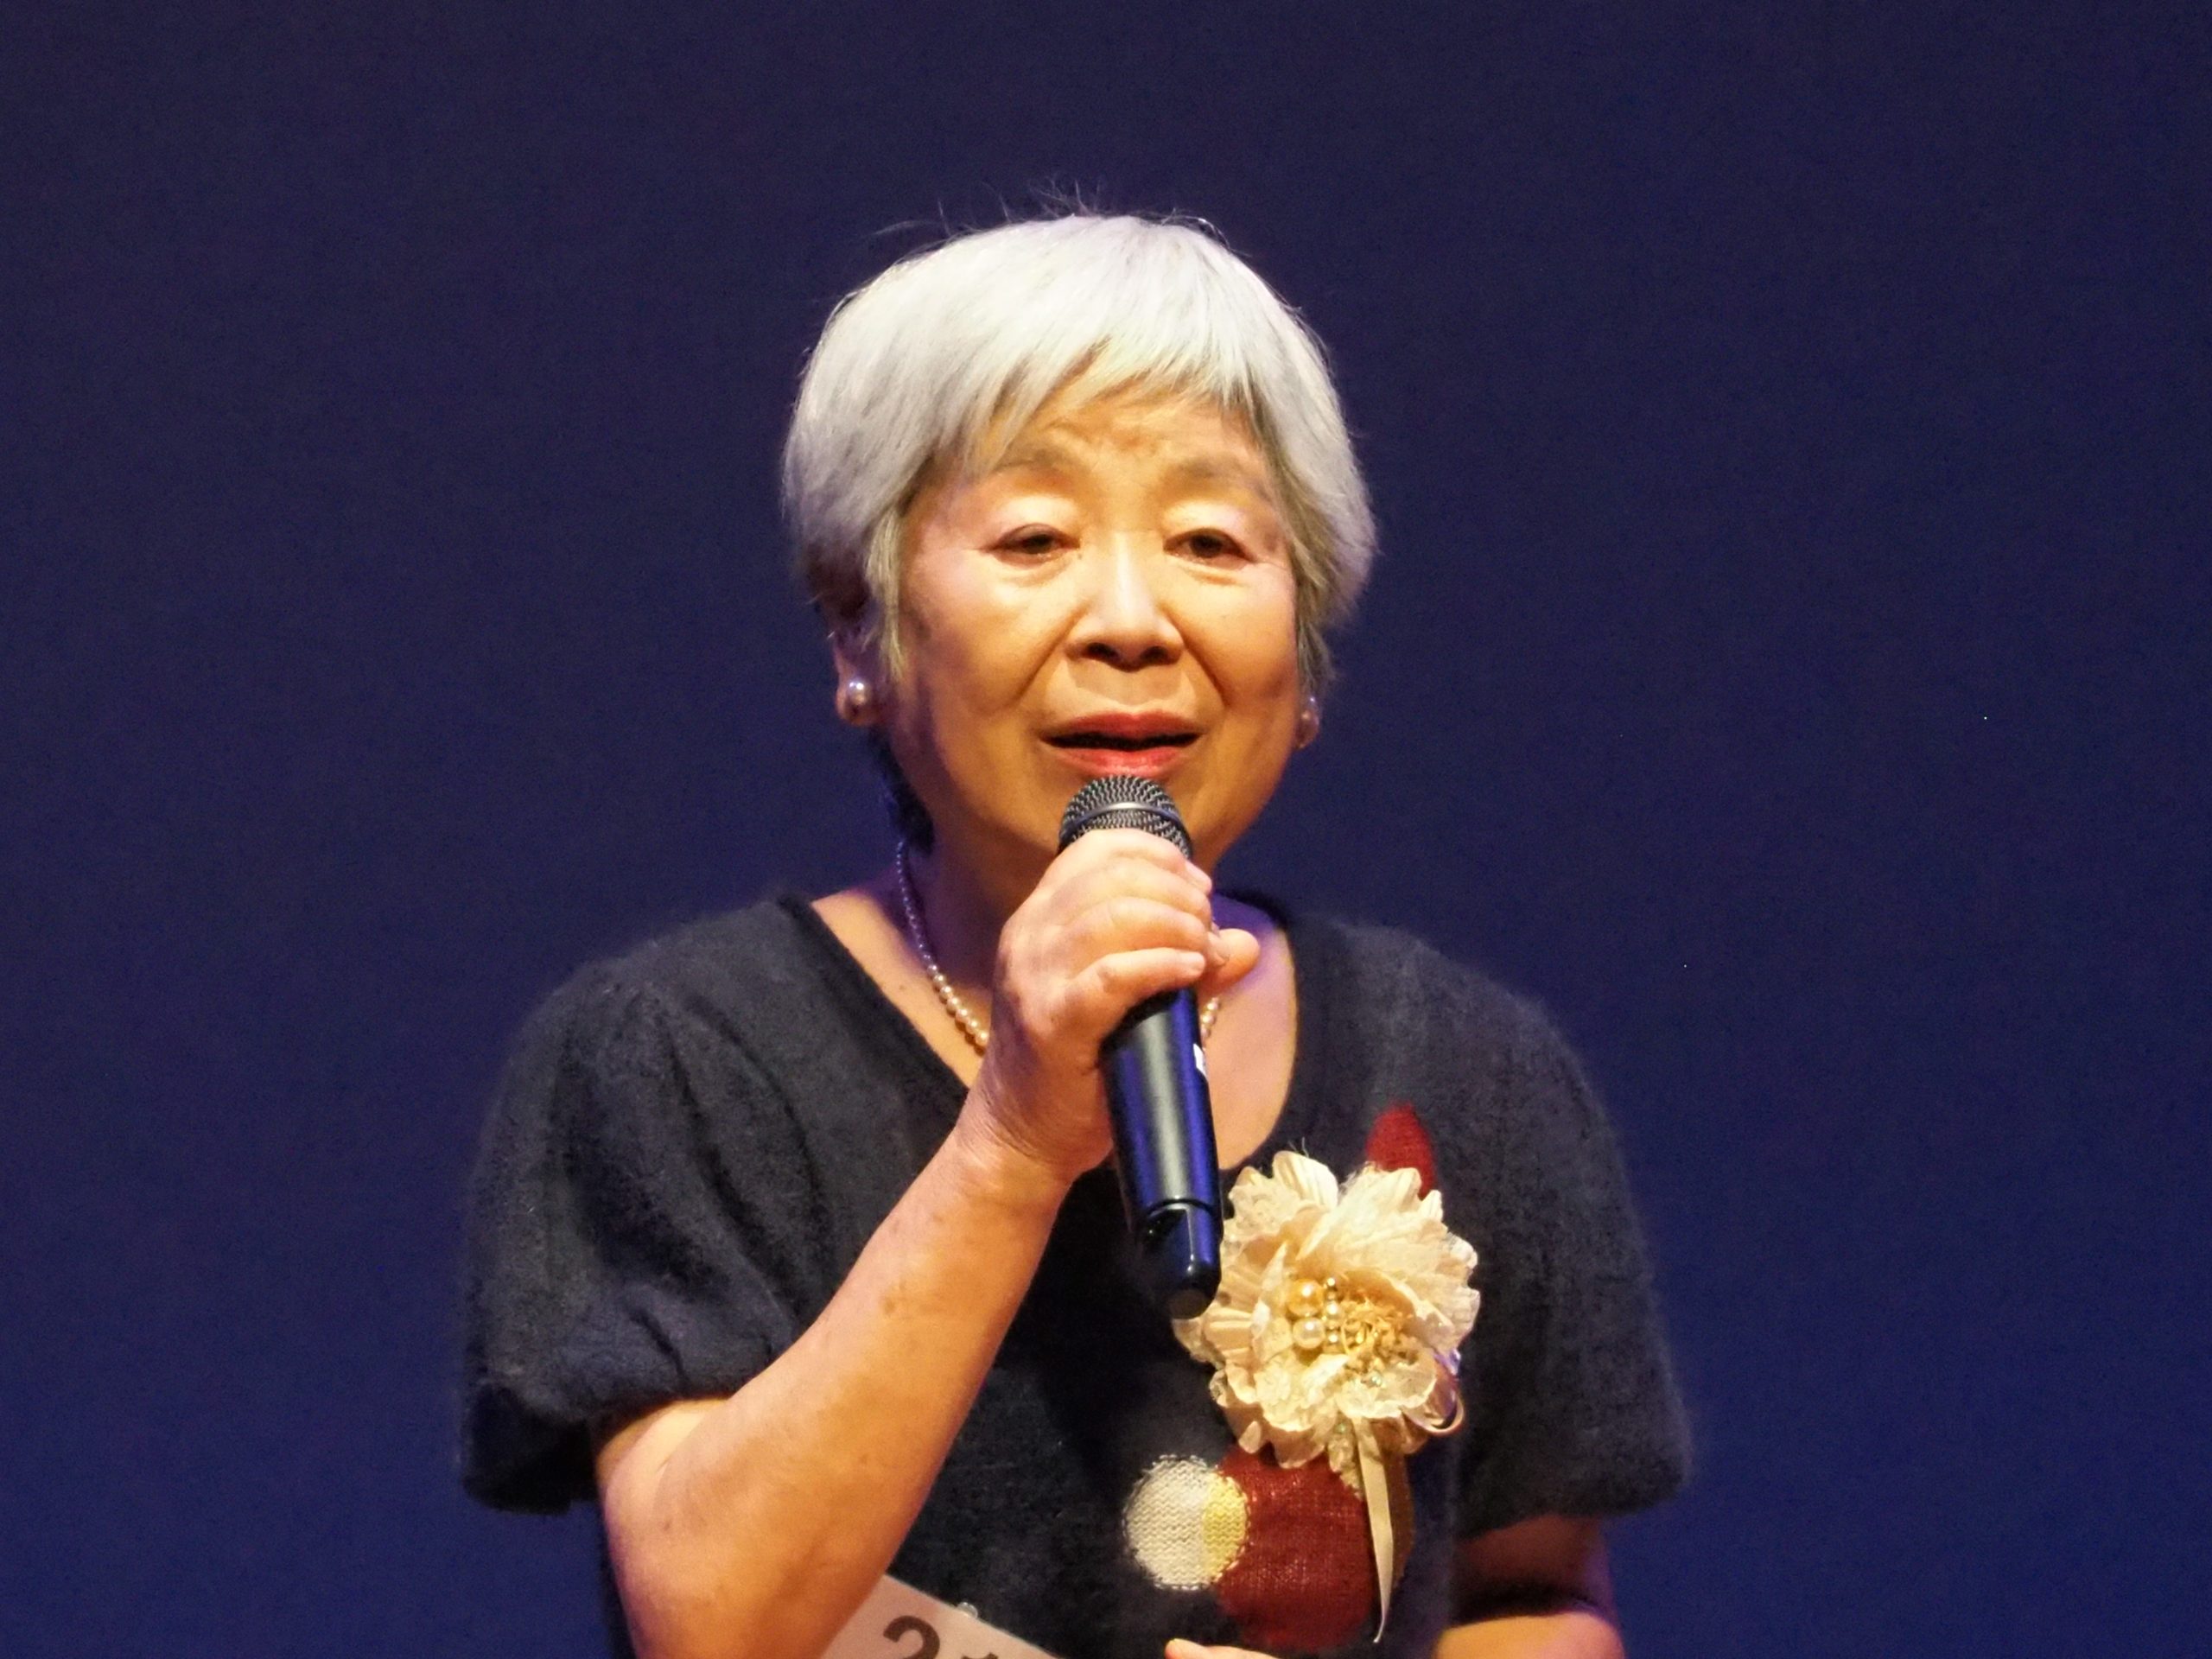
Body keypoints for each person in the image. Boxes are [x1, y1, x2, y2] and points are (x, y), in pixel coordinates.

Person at [459, 212, 1689, 1659]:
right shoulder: (683, 1053)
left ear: (1306, 661)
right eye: (1036, 538)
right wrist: (1014, 1142)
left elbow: (1531, 1593)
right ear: (861, 634)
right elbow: (717, 1624)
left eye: (1210, 542)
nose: (1131, 619)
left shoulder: (1470, 1069)